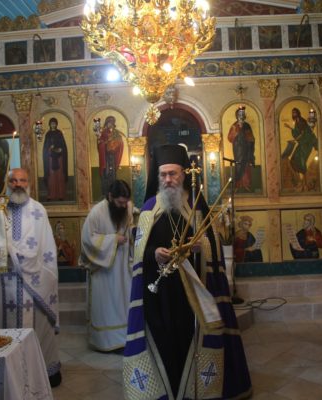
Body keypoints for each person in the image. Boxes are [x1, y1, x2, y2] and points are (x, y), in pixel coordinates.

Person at [123, 144, 252, 399]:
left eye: (173, 173)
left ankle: (193, 392)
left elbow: (213, 251)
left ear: (183, 174)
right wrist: (155, 254)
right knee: (164, 343)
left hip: (191, 295)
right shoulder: (148, 209)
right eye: (163, 175)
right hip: (159, 296)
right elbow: (139, 254)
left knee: (188, 341)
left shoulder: (197, 207)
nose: (168, 180)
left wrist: (199, 249)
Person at [0, 168, 62, 387]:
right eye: (13, 181)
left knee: (37, 327)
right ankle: (4, 373)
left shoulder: (38, 211)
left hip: (33, 286)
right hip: (1, 284)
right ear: (6, 184)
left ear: (29, 182)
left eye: (22, 180)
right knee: (2, 328)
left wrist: (16, 253)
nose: (18, 184)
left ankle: (39, 372)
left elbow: (46, 250)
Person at [80, 180, 133, 351]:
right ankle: (105, 342)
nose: (123, 206)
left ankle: (124, 339)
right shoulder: (96, 213)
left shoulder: (128, 208)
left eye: (125, 202)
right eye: (120, 202)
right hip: (104, 270)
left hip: (123, 268)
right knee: (107, 307)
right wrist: (113, 239)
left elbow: (130, 227)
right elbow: (87, 240)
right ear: (110, 197)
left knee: (123, 303)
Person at [282, 108, 318, 191]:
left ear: (298, 113)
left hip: (306, 143)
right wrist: (289, 128)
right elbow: (297, 132)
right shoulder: (297, 121)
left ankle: (305, 183)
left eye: (295, 112)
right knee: (294, 160)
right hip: (302, 143)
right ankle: (300, 182)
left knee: (301, 161)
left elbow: (303, 134)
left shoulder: (301, 121)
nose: (293, 114)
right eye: (292, 113)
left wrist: (295, 139)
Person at [227, 105, 255, 191]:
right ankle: (238, 185)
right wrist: (236, 131)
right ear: (237, 116)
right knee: (238, 165)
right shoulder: (234, 126)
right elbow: (230, 138)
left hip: (246, 148)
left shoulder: (247, 125)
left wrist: (249, 138)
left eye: (242, 114)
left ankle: (247, 184)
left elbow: (251, 138)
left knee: (246, 165)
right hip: (238, 149)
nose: (241, 116)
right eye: (239, 114)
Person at [97, 115, 124, 196]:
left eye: (112, 122)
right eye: (109, 122)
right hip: (105, 157)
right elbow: (100, 143)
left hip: (113, 156)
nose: (110, 124)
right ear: (106, 123)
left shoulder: (116, 133)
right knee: (106, 173)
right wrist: (105, 143)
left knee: (112, 174)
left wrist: (115, 144)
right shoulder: (103, 132)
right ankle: (106, 192)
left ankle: (113, 192)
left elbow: (120, 143)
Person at [42, 117, 68, 201]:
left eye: (54, 123)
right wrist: (50, 148)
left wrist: (60, 149)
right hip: (50, 159)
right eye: (51, 123)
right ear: (49, 124)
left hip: (59, 158)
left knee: (59, 177)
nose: (53, 125)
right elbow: (45, 147)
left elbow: (63, 146)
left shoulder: (59, 133)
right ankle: (51, 195)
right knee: (51, 177)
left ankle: (61, 195)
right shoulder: (48, 134)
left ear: (56, 124)